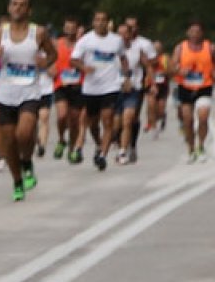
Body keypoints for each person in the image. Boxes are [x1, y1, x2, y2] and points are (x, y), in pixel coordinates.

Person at [0, 0, 56, 200]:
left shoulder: (38, 33)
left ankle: (27, 161)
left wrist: (45, 63)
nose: (18, 8)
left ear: (29, 10)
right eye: (14, 4)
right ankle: (17, 181)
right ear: (9, 8)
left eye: (22, 5)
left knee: (24, 134)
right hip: (6, 94)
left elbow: (53, 54)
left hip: (30, 91)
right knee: (9, 142)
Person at [70, 10, 129, 171]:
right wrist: (83, 67)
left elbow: (123, 58)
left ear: (108, 23)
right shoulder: (86, 40)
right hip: (91, 88)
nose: (100, 22)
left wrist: (126, 77)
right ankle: (99, 144)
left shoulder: (116, 40)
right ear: (93, 22)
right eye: (97, 20)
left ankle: (102, 155)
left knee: (108, 120)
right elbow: (73, 60)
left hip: (110, 86)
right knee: (93, 124)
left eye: (103, 20)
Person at [169, 20, 215, 162]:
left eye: (198, 31)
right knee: (188, 120)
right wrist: (179, 70)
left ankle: (201, 146)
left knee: (203, 118)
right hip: (185, 87)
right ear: (187, 33)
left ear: (202, 33)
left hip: (204, 86)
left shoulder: (210, 47)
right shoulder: (180, 48)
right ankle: (191, 149)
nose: (195, 34)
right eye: (192, 31)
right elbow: (172, 67)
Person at [117, 17, 154, 164]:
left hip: (134, 88)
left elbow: (150, 64)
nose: (122, 37)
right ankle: (120, 143)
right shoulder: (111, 49)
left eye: (125, 33)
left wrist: (151, 82)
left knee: (130, 119)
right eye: (119, 34)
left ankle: (127, 148)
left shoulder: (140, 47)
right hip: (114, 89)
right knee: (116, 123)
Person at [52, 16, 84, 162]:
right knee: (62, 115)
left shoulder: (82, 45)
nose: (69, 31)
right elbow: (48, 58)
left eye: (72, 28)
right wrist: (50, 68)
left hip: (78, 86)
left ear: (77, 29)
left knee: (75, 121)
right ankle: (61, 139)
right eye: (67, 28)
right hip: (61, 85)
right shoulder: (57, 43)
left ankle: (71, 149)